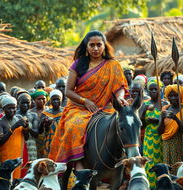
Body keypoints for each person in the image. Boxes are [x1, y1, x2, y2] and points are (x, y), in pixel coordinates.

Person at [48, 30, 129, 170]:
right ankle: (79, 164)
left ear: (105, 46)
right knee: (75, 126)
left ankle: (125, 164)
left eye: (99, 45)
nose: (96, 48)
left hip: (105, 107)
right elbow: (68, 91)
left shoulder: (113, 65)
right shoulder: (78, 64)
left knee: (124, 126)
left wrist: (120, 98)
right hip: (79, 107)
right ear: (86, 46)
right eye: (92, 45)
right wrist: (85, 101)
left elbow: (120, 86)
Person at [140, 79, 168, 189]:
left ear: (160, 90)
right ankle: (150, 187)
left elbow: (168, 122)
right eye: (151, 89)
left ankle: (161, 186)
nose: (153, 92)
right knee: (149, 163)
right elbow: (141, 124)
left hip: (161, 138)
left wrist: (158, 120)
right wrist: (144, 112)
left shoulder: (165, 104)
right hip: (149, 138)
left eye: (155, 89)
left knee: (161, 161)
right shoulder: (145, 104)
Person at [0, 95, 29, 179]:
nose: (12, 110)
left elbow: (26, 138)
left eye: (14, 108)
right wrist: (13, 127)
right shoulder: (0, 122)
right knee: (8, 179)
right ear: (3, 109)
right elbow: (1, 141)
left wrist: (26, 128)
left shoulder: (19, 118)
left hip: (18, 155)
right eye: (9, 108)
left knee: (18, 179)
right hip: (6, 156)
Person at [158, 84, 183, 165]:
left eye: (176, 95)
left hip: (180, 144)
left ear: (181, 95)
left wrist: (176, 119)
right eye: (170, 96)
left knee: (179, 168)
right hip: (166, 145)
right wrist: (162, 119)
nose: (173, 98)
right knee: (169, 168)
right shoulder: (165, 108)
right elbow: (159, 132)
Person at [15, 93, 39, 177]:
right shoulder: (14, 116)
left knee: (31, 170)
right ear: (18, 103)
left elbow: (36, 133)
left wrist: (28, 128)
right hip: (18, 146)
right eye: (23, 103)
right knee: (19, 169)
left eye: (27, 103)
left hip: (31, 146)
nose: (25, 105)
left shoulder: (33, 115)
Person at [39, 89, 63, 157]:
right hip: (49, 142)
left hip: (62, 141)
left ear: (61, 99)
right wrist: (43, 123)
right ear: (50, 101)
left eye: (58, 99)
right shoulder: (45, 114)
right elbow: (40, 131)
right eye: (53, 99)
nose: (56, 101)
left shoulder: (65, 112)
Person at [30, 89, 48, 158]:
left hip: (47, 139)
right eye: (39, 99)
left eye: (43, 99)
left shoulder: (49, 110)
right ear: (34, 100)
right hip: (35, 140)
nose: (41, 101)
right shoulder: (31, 112)